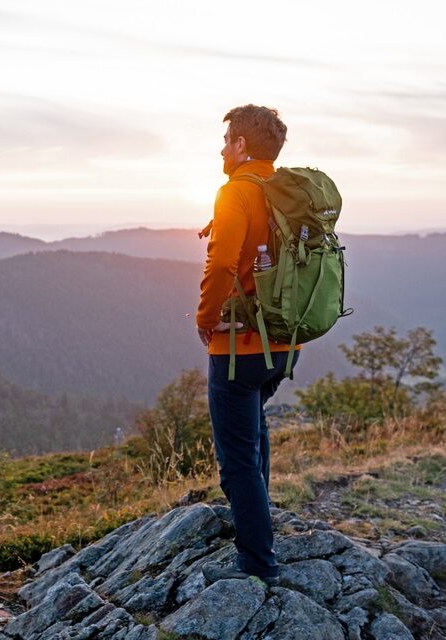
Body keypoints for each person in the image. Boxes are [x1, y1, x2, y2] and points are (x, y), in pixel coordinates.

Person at [194, 104, 300, 586]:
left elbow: (220, 265)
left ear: (241, 145)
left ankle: (257, 563)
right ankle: (259, 536)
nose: (221, 149)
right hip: (285, 343)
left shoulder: (236, 192)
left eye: (227, 140)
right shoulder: (288, 194)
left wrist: (204, 317)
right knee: (254, 436)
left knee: (237, 456)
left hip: (238, 347)